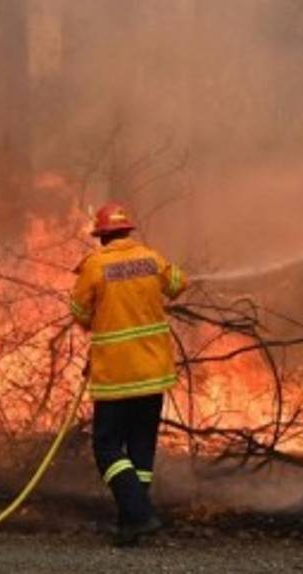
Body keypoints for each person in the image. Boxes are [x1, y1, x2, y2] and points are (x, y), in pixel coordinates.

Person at [69, 202, 185, 546]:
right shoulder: (151, 258)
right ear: (128, 231)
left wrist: (97, 319)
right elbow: (178, 284)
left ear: (102, 237)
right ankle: (130, 524)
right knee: (140, 449)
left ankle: (140, 514)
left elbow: (78, 310)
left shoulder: (96, 265)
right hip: (152, 374)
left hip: (116, 376)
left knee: (106, 447)